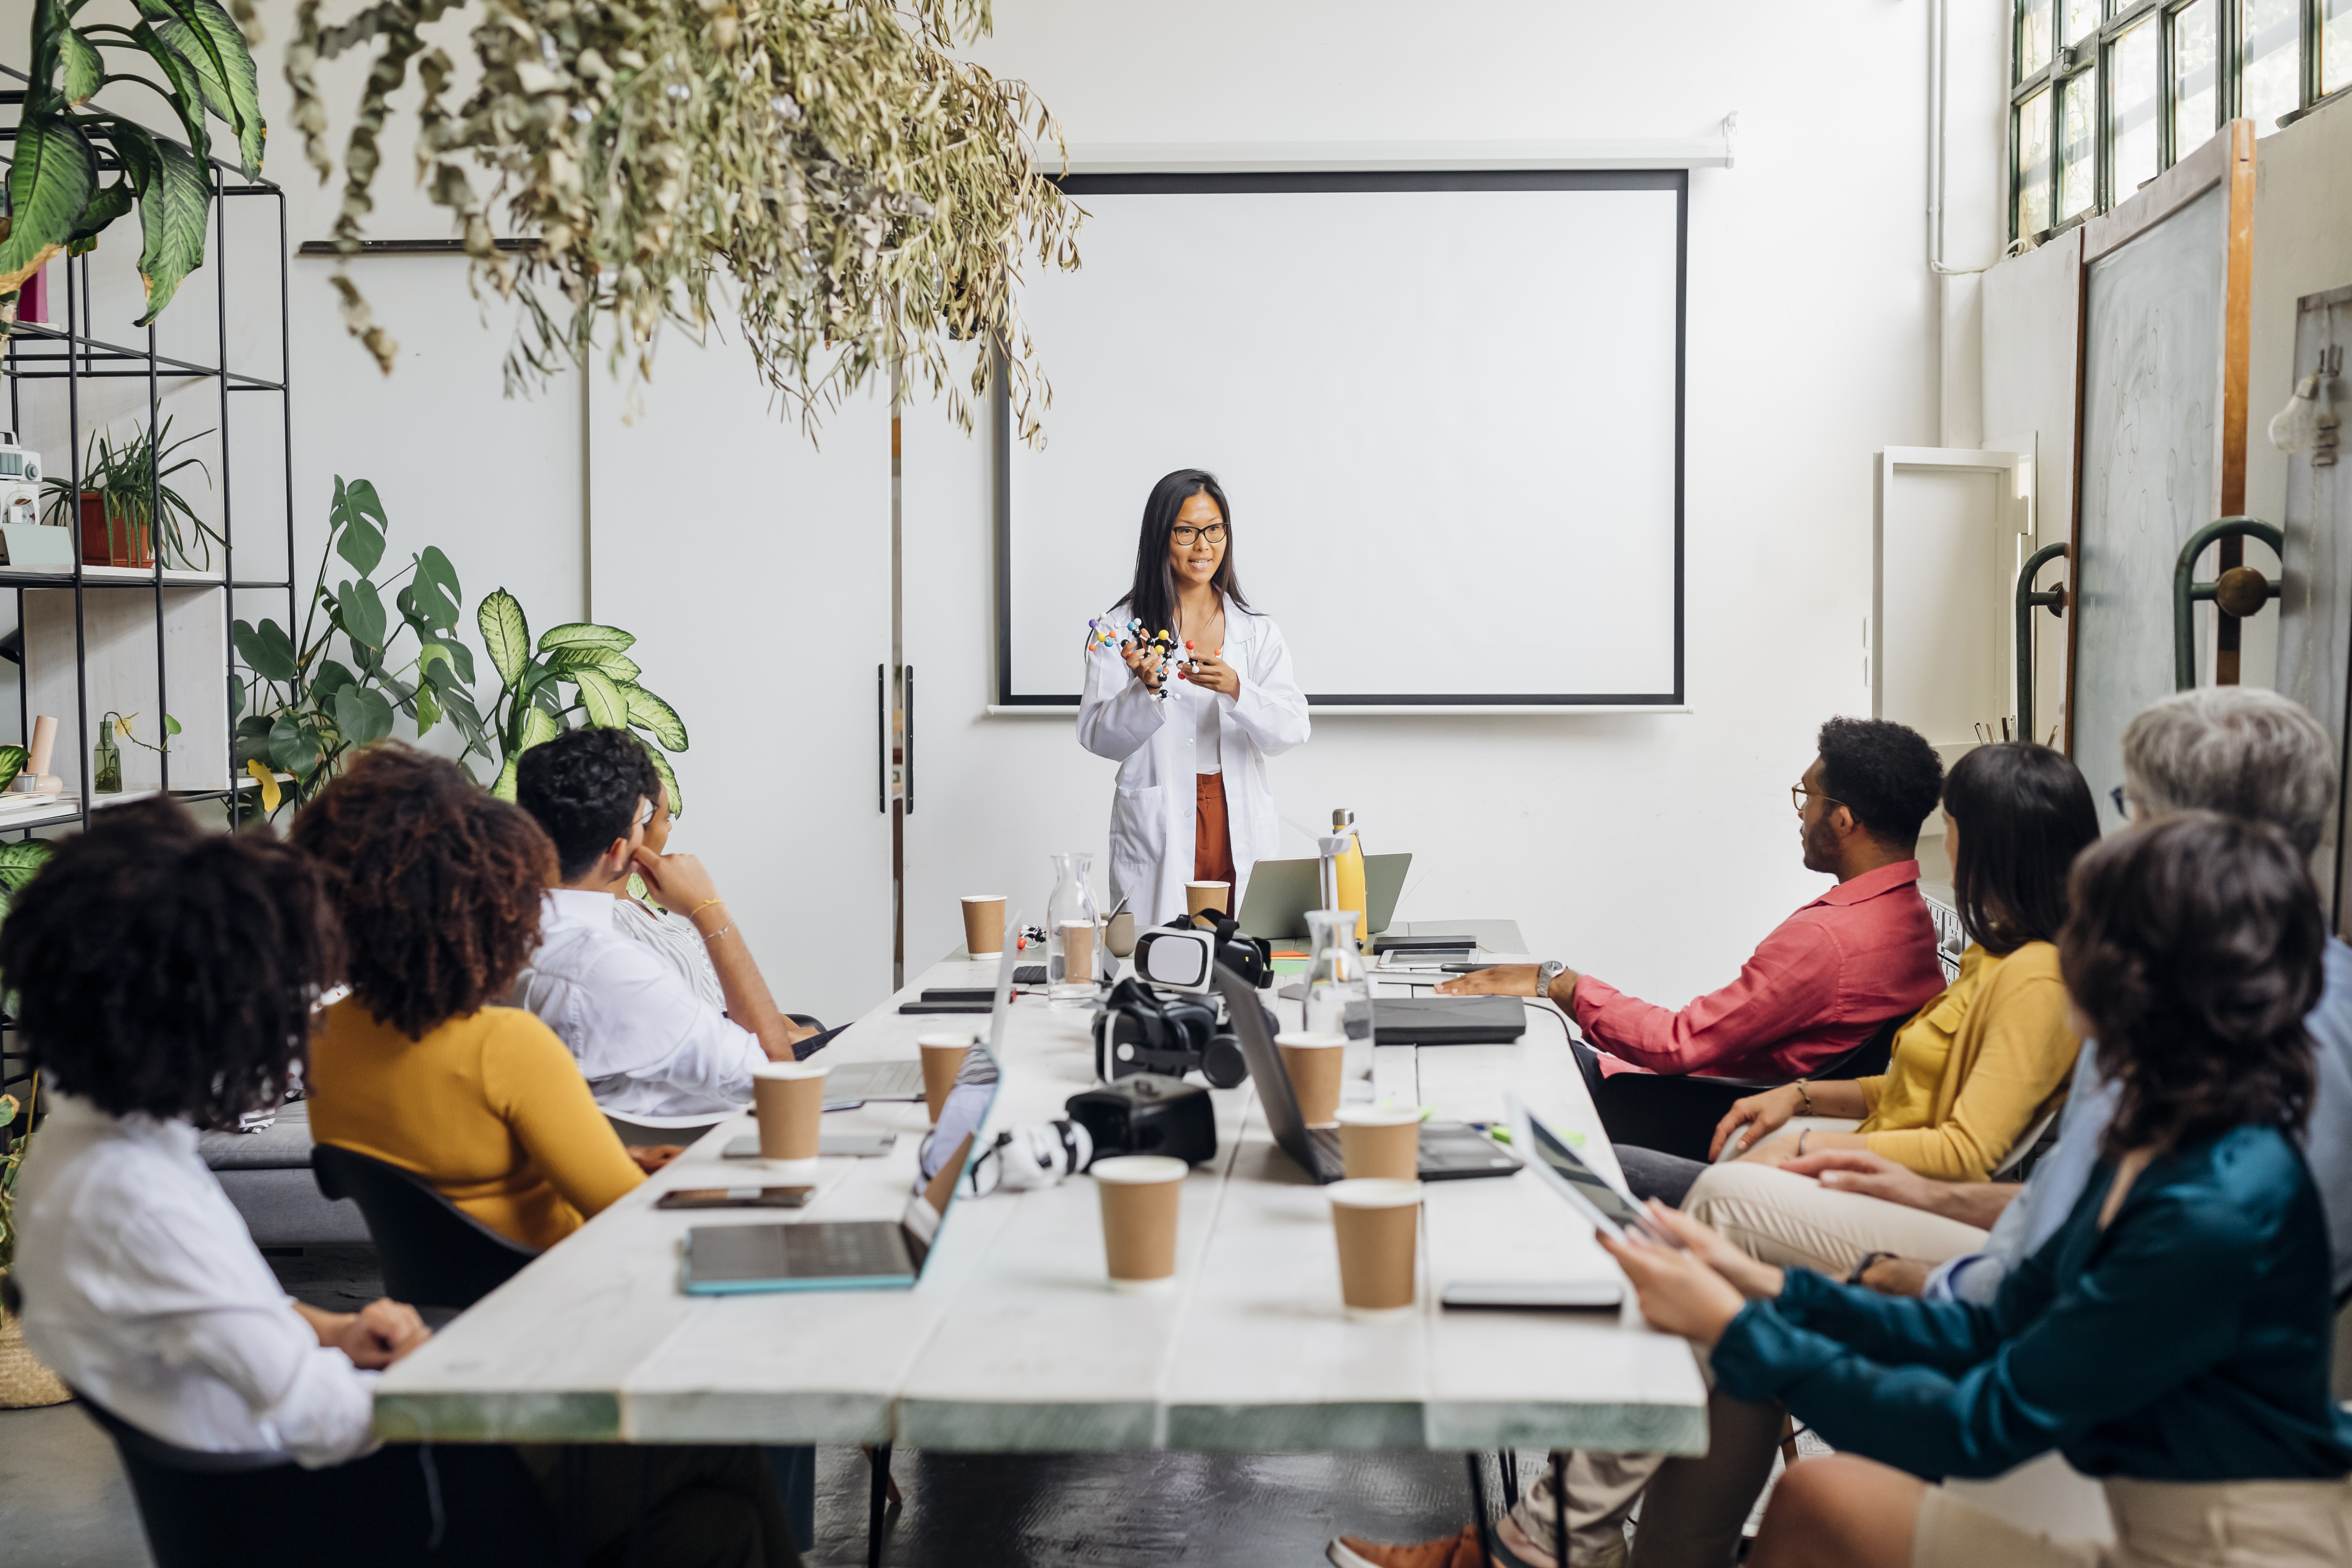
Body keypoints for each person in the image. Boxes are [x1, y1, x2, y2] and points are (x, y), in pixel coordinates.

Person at [4, 800, 781, 1568]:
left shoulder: (81, 1159)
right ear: (194, 1018)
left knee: (713, 1530)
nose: (291, 1028)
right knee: (718, 1445)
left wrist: (333, 1329)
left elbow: (198, 1309)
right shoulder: (143, 1204)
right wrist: (466, 1384)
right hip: (370, 1508)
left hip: (274, 1509)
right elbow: (324, 1417)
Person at [1606, 812, 2352, 1568]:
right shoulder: (2158, 1133)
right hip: (2156, 1523)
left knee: (1824, 1499)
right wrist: (1763, 1285)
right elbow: (1996, 1326)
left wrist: (1742, 1331)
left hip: (2218, 1552)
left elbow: (1977, 1424)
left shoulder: (2211, 1209)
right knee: (1815, 1499)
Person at [1779, 686, 2352, 1304]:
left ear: (2182, 839)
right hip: (2194, 1332)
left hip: (2094, 1340)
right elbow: (2086, 1207)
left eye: (2132, 807)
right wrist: (1919, 1193)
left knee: (1732, 1233)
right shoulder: (2331, 989)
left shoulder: (2177, 1013)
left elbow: (2082, 1268)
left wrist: (1919, 1280)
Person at [1618, 743, 2100, 1289]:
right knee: (1727, 1159)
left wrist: (1806, 1144)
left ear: (1987, 843)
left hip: (1927, 1192)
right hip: (1889, 1151)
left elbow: (1966, 1152)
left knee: (1719, 1194)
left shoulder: (2036, 979)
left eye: (1951, 826)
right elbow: (1915, 1087)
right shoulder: (1993, 953)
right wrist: (1802, 1096)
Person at [1441, 717, 1948, 1080]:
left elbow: (1676, 1044)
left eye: (1807, 796)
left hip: (1681, 1112)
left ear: (1842, 819)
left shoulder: (1829, 941)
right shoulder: (1908, 918)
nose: (1800, 814)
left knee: (1497, 1065)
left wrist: (1555, 981)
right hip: (1701, 1097)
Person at [293, 743, 656, 1249]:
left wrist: (606, 1157)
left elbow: (451, 1164)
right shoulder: (507, 1046)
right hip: (566, 1296)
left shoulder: (321, 1038)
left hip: (439, 1308)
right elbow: (633, 1215)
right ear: (489, 901)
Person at [510, 727, 814, 1119]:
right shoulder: (610, 968)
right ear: (620, 851)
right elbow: (776, 1070)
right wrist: (708, 909)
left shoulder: (495, 935)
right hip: (712, 1146)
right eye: (646, 820)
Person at [1078, 467, 1310, 926]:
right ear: (1161, 536)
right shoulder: (1119, 630)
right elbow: (1096, 737)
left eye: (1214, 529)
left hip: (1232, 810)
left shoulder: (1257, 633)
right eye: (1186, 531)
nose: (1204, 545)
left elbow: (1292, 729)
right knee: (1163, 957)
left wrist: (1238, 690)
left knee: (1240, 949)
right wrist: (1143, 692)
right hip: (1160, 815)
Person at [612, 778, 723, 1010]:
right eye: (666, 819)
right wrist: (707, 910)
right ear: (635, 829)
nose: (670, 827)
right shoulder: (613, 925)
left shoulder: (635, 902)